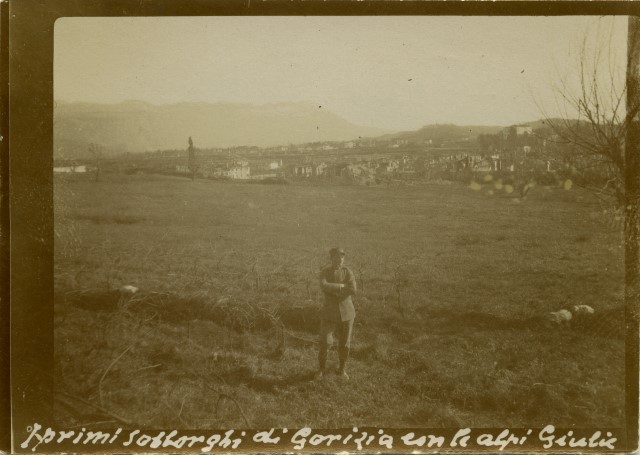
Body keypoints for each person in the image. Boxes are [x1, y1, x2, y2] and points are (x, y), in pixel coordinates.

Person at [317, 247, 357, 380]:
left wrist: (332, 289)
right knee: (325, 342)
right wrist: (341, 286)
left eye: (342, 258)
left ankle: (342, 369)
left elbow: (353, 289)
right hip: (329, 313)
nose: (339, 260)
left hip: (347, 313)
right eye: (336, 258)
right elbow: (323, 285)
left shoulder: (348, 272)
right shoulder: (325, 272)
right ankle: (321, 369)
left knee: (345, 344)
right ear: (331, 258)